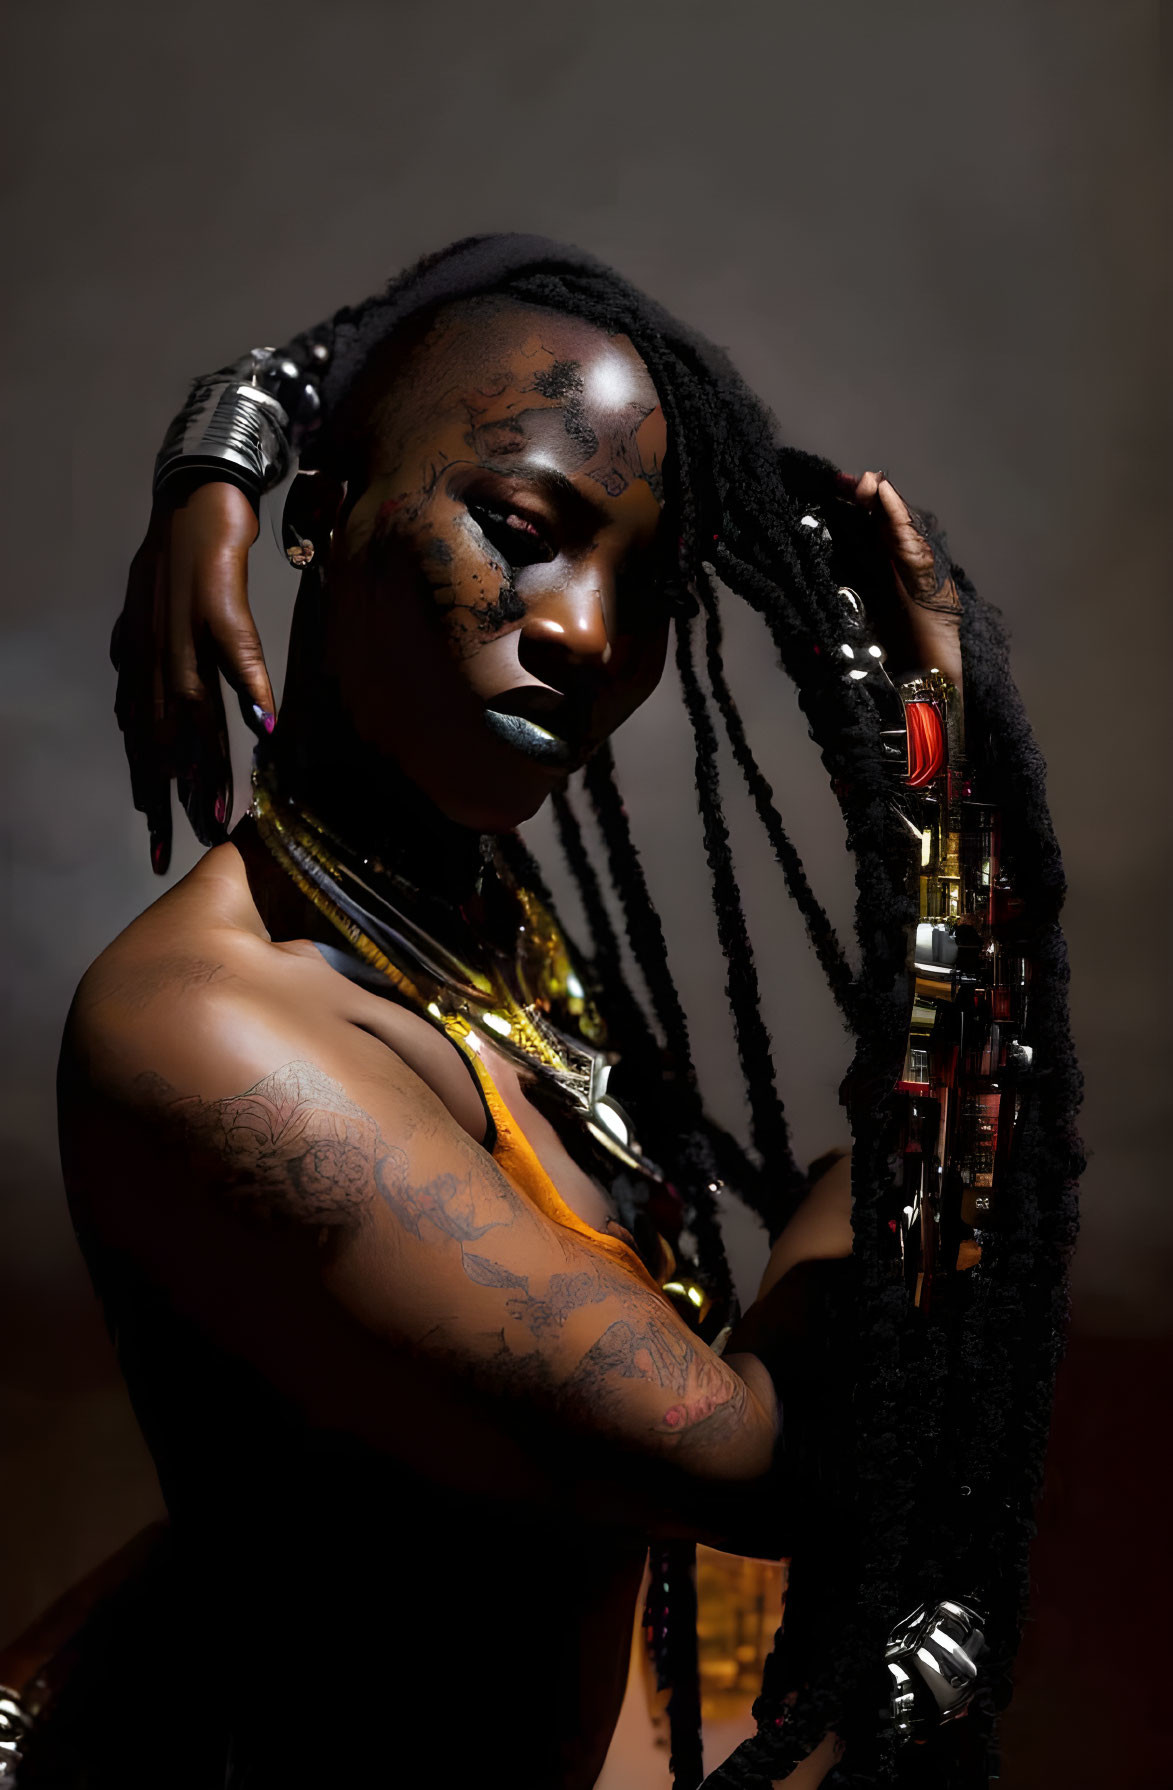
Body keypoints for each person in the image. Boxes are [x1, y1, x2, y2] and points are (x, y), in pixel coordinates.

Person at [13, 237, 1080, 1789]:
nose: (585, 631)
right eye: (521, 531)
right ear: (326, 520)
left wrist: (224, 439)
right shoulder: (213, 1038)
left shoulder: (468, 920)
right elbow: (751, 1449)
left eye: (644, 591)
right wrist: (944, 828)